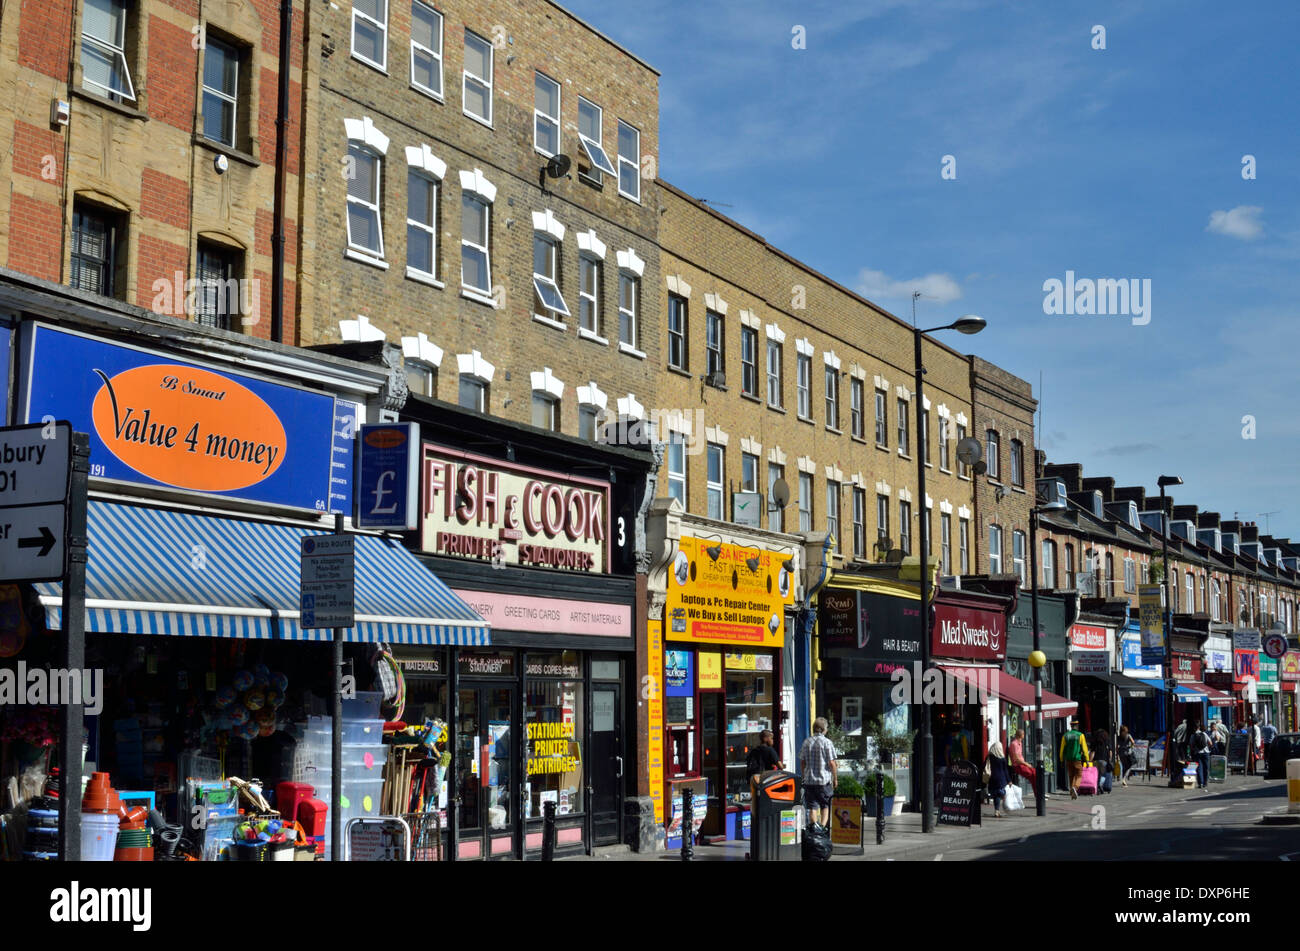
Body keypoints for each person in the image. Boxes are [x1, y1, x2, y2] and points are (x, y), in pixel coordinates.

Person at [800, 717, 838, 827]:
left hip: (809, 781)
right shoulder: (827, 742)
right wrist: (835, 778)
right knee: (825, 806)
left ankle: (814, 829)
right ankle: (822, 829)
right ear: (823, 729)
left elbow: (802, 762)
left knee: (812, 807)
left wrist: (804, 776)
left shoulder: (807, 742)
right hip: (823, 781)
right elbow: (832, 763)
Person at [1008, 728, 1046, 800]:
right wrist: (1027, 764)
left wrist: (1026, 764)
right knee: (1033, 775)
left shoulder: (1020, 743)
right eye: (1023, 734)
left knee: (1035, 774)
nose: (1024, 735)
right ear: (1021, 735)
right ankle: (1038, 795)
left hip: (1022, 764)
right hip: (1018, 766)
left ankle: (1039, 794)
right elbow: (1016, 759)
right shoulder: (1014, 744)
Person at [746, 729, 784, 800]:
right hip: (766, 780)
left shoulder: (755, 750)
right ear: (765, 739)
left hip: (755, 779)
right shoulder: (770, 750)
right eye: (771, 738)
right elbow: (780, 766)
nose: (773, 740)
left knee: (756, 799)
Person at [1059, 720, 1091, 799]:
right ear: (1077, 726)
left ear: (1071, 726)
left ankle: (1072, 791)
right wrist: (1087, 760)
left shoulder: (1065, 736)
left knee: (1071, 775)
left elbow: (1062, 749)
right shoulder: (1080, 735)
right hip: (1077, 759)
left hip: (1068, 759)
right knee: (1079, 775)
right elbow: (1084, 748)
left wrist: (1061, 759)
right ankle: (1075, 787)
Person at [986, 739, 1012, 817]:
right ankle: (998, 810)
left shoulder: (989, 757)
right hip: (1001, 780)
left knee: (995, 795)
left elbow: (985, 766)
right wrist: (1009, 780)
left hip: (992, 779)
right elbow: (1005, 771)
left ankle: (997, 810)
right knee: (999, 795)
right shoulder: (1002, 759)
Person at [1188, 719, 1212, 789]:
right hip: (1206, 753)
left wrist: (1194, 750)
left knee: (1199, 768)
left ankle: (1200, 783)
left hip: (1197, 753)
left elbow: (1191, 745)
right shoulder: (1204, 734)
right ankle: (1205, 783)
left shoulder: (1193, 735)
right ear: (1199, 727)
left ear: (1194, 728)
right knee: (1206, 768)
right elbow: (1210, 743)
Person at [1092, 728, 1114, 794]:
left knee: (1097, 775)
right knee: (1103, 775)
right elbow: (1110, 752)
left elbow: (1092, 752)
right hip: (1104, 760)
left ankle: (1097, 787)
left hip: (1096, 760)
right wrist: (1109, 759)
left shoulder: (1095, 741)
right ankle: (1100, 785)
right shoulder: (1107, 741)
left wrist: (1089, 761)